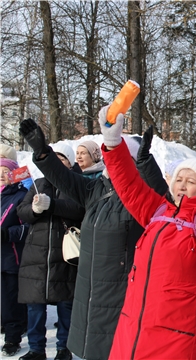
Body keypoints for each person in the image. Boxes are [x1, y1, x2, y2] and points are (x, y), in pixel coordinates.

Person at [93, 104, 196, 359]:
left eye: (192, 181)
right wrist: (113, 142)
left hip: (180, 334)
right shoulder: (160, 210)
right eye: (179, 180)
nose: (182, 185)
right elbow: (128, 185)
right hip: (135, 326)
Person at [19, 119, 145, 360]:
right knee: (93, 345)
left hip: (122, 285)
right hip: (91, 285)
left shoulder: (140, 193)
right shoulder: (97, 188)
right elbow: (63, 178)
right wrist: (42, 151)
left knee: (120, 347)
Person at [16, 143, 85, 360]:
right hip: (36, 256)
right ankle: (36, 349)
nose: (57, 162)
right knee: (35, 306)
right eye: (54, 158)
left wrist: (52, 204)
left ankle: (64, 347)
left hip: (65, 255)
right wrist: (35, 209)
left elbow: (79, 209)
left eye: (62, 158)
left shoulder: (77, 184)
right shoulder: (37, 184)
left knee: (66, 304)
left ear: (70, 162)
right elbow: (22, 211)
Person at [1, 158, 29, 357]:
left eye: (6, 171)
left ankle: (12, 338)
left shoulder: (21, 196)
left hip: (11, 257)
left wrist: (7, 234)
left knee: (11, 302)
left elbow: (28, 228)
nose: (2, 175)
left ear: (14, 173)